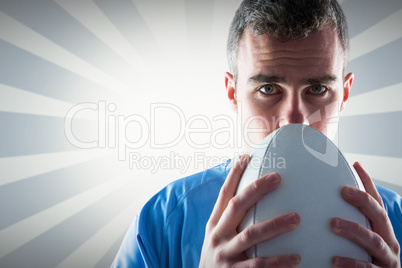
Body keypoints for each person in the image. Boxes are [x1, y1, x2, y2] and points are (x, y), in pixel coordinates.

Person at [111, 0, 402, 267]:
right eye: (267, 89)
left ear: (345, 94)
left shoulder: (395, 222)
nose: (293, 121)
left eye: (317, 89)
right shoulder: (162, 222)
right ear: (233, 94)